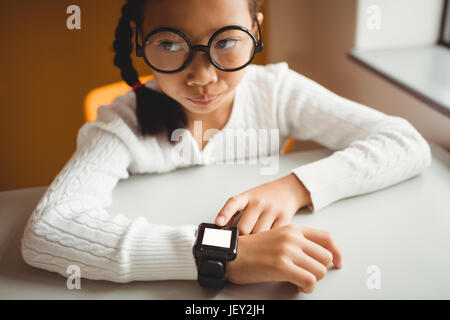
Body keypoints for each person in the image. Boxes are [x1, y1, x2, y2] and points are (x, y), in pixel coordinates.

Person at [20, 0, 431, 294]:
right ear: (139, 39)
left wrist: (294, 187)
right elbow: (48, 231)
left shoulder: (277, 91)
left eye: (226, 42)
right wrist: (220, 255)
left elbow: (405, 142)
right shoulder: (123, 122)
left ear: (256, 31)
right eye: (169, 44)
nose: (202, 76)